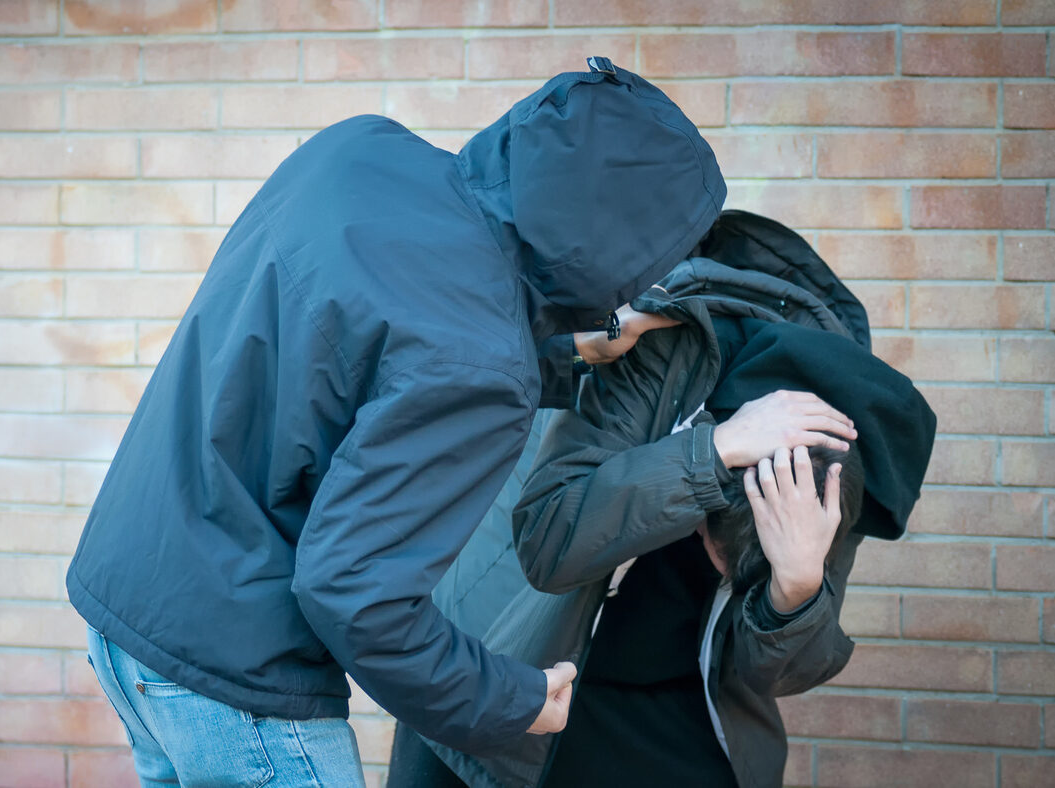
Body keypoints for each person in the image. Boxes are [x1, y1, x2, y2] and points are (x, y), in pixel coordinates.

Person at [66, 58, 727, 786]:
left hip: (128, 613)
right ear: (624, 236)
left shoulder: (356, 149)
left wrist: (561, 353)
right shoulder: (479, 361)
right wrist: (513, 701)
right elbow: (355, 594)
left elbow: (369, 349)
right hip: (236, 679)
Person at [389, 210, 936, 788]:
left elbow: (775, 671)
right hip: (511, 644)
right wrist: (710, 454)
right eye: (712, 542)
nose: (711, 560)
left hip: (683, 708)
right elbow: (550, 545)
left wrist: (794, 591)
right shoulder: (651, 344)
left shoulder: (832, 454)